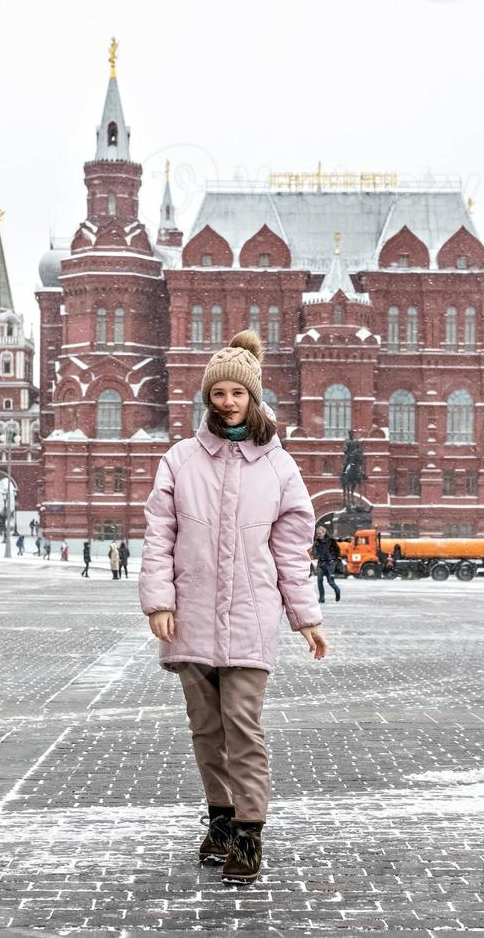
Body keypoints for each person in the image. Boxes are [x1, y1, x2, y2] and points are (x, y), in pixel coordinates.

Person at [139, 329, 327, 887]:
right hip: (190, 616)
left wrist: (307, 618)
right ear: (207, 398)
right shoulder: (179, 460)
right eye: (217, 393)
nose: (227, 402)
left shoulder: (279, 468)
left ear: (253, 396)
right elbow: (158, 537)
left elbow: (292, 550)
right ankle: (220, 820)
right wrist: (158, 602)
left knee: (242, 727)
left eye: (236, 393)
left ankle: (249, 830)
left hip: (248, 617)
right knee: (205, 730)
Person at [313, 525, 340, 604]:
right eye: (317, 533)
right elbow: (316, 551)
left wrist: (334, 559)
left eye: (320, 533)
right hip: (321, 563)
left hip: (329, 563)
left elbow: (337, 550)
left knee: (330, 582)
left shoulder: (331, 541)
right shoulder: (317, 542)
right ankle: (322, 598)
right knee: (319, 581)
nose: (318, 535)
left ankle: (337, 591)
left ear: (324, 533)